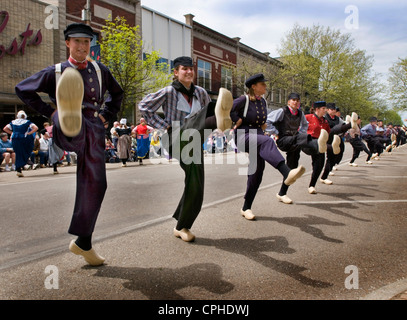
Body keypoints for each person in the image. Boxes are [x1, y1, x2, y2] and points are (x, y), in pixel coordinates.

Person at [15, 22, 123, 266]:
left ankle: (84, 241)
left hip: (94, 127)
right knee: (72, 127)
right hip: (67, 123)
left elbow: (118, 93)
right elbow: (22, 89)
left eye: (86, 42)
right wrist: (50, 113)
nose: (82, 46)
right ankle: (67, 116)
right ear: (67, 43)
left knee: (97, 184)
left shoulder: (100, 69)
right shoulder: (55, 71)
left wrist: (107, 114)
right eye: (77, 41)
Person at [138, 56, 232, 242]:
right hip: (175, 138)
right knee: (210, 113)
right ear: (176, 72)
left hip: (194, 140)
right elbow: (144, 107)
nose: (189, 72)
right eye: (184, 69)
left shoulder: (201, 92)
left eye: (191, 69)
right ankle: (219, 118)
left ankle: (181, 226)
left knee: (196, 184)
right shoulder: (168, 91)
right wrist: (164, 125)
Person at [230, 74, 305, 211]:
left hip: (257, 137)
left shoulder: (263, 102)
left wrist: (264, 125)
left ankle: (246, 208)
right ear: (254, 86)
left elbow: (264, 120)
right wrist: (237, 119)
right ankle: (287, 173)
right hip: (244, 136)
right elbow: (227, 109)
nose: (265, 86)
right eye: (262, 84)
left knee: (256, 173)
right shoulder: (243, 99)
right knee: (267, 141)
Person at [266, 92, 328, 171]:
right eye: (293, 100)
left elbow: (305, 124)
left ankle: (287, 179)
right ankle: (317, 145)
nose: (295, 102)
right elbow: (267, 121)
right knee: (301, 138)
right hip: (283, 140)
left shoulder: (300, 113)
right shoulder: (282, 111)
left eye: (297, 100)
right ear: (289, 102)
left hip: (295, 140)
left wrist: (301, 132)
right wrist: (275, 132)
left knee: (293, 165)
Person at [2, 111, 38, 177]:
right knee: (25, 152)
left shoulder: (13, 122)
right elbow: (36, 128)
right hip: (23, 139)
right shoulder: (27, 122)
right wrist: (29, 133)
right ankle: (22, 165)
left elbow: (5, 128)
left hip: (15, 139)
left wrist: (12, 133)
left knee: (18, 153)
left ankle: (19, 169)